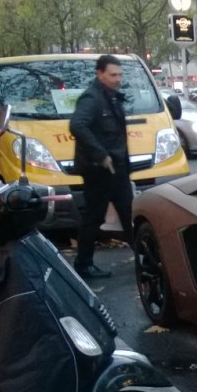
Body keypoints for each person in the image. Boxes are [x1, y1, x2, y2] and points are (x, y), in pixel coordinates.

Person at [69, 54, 133, 280]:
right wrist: (101, 155)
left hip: (118, 169)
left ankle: (145, 257)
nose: (118, 79)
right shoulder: (92, 98)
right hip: (99, 170)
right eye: (113, 75)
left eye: (120, 74)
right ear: (100, 74)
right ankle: (83, 264)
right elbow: (77, 125)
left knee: (129, 213)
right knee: (94, 218)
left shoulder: (111, 96)